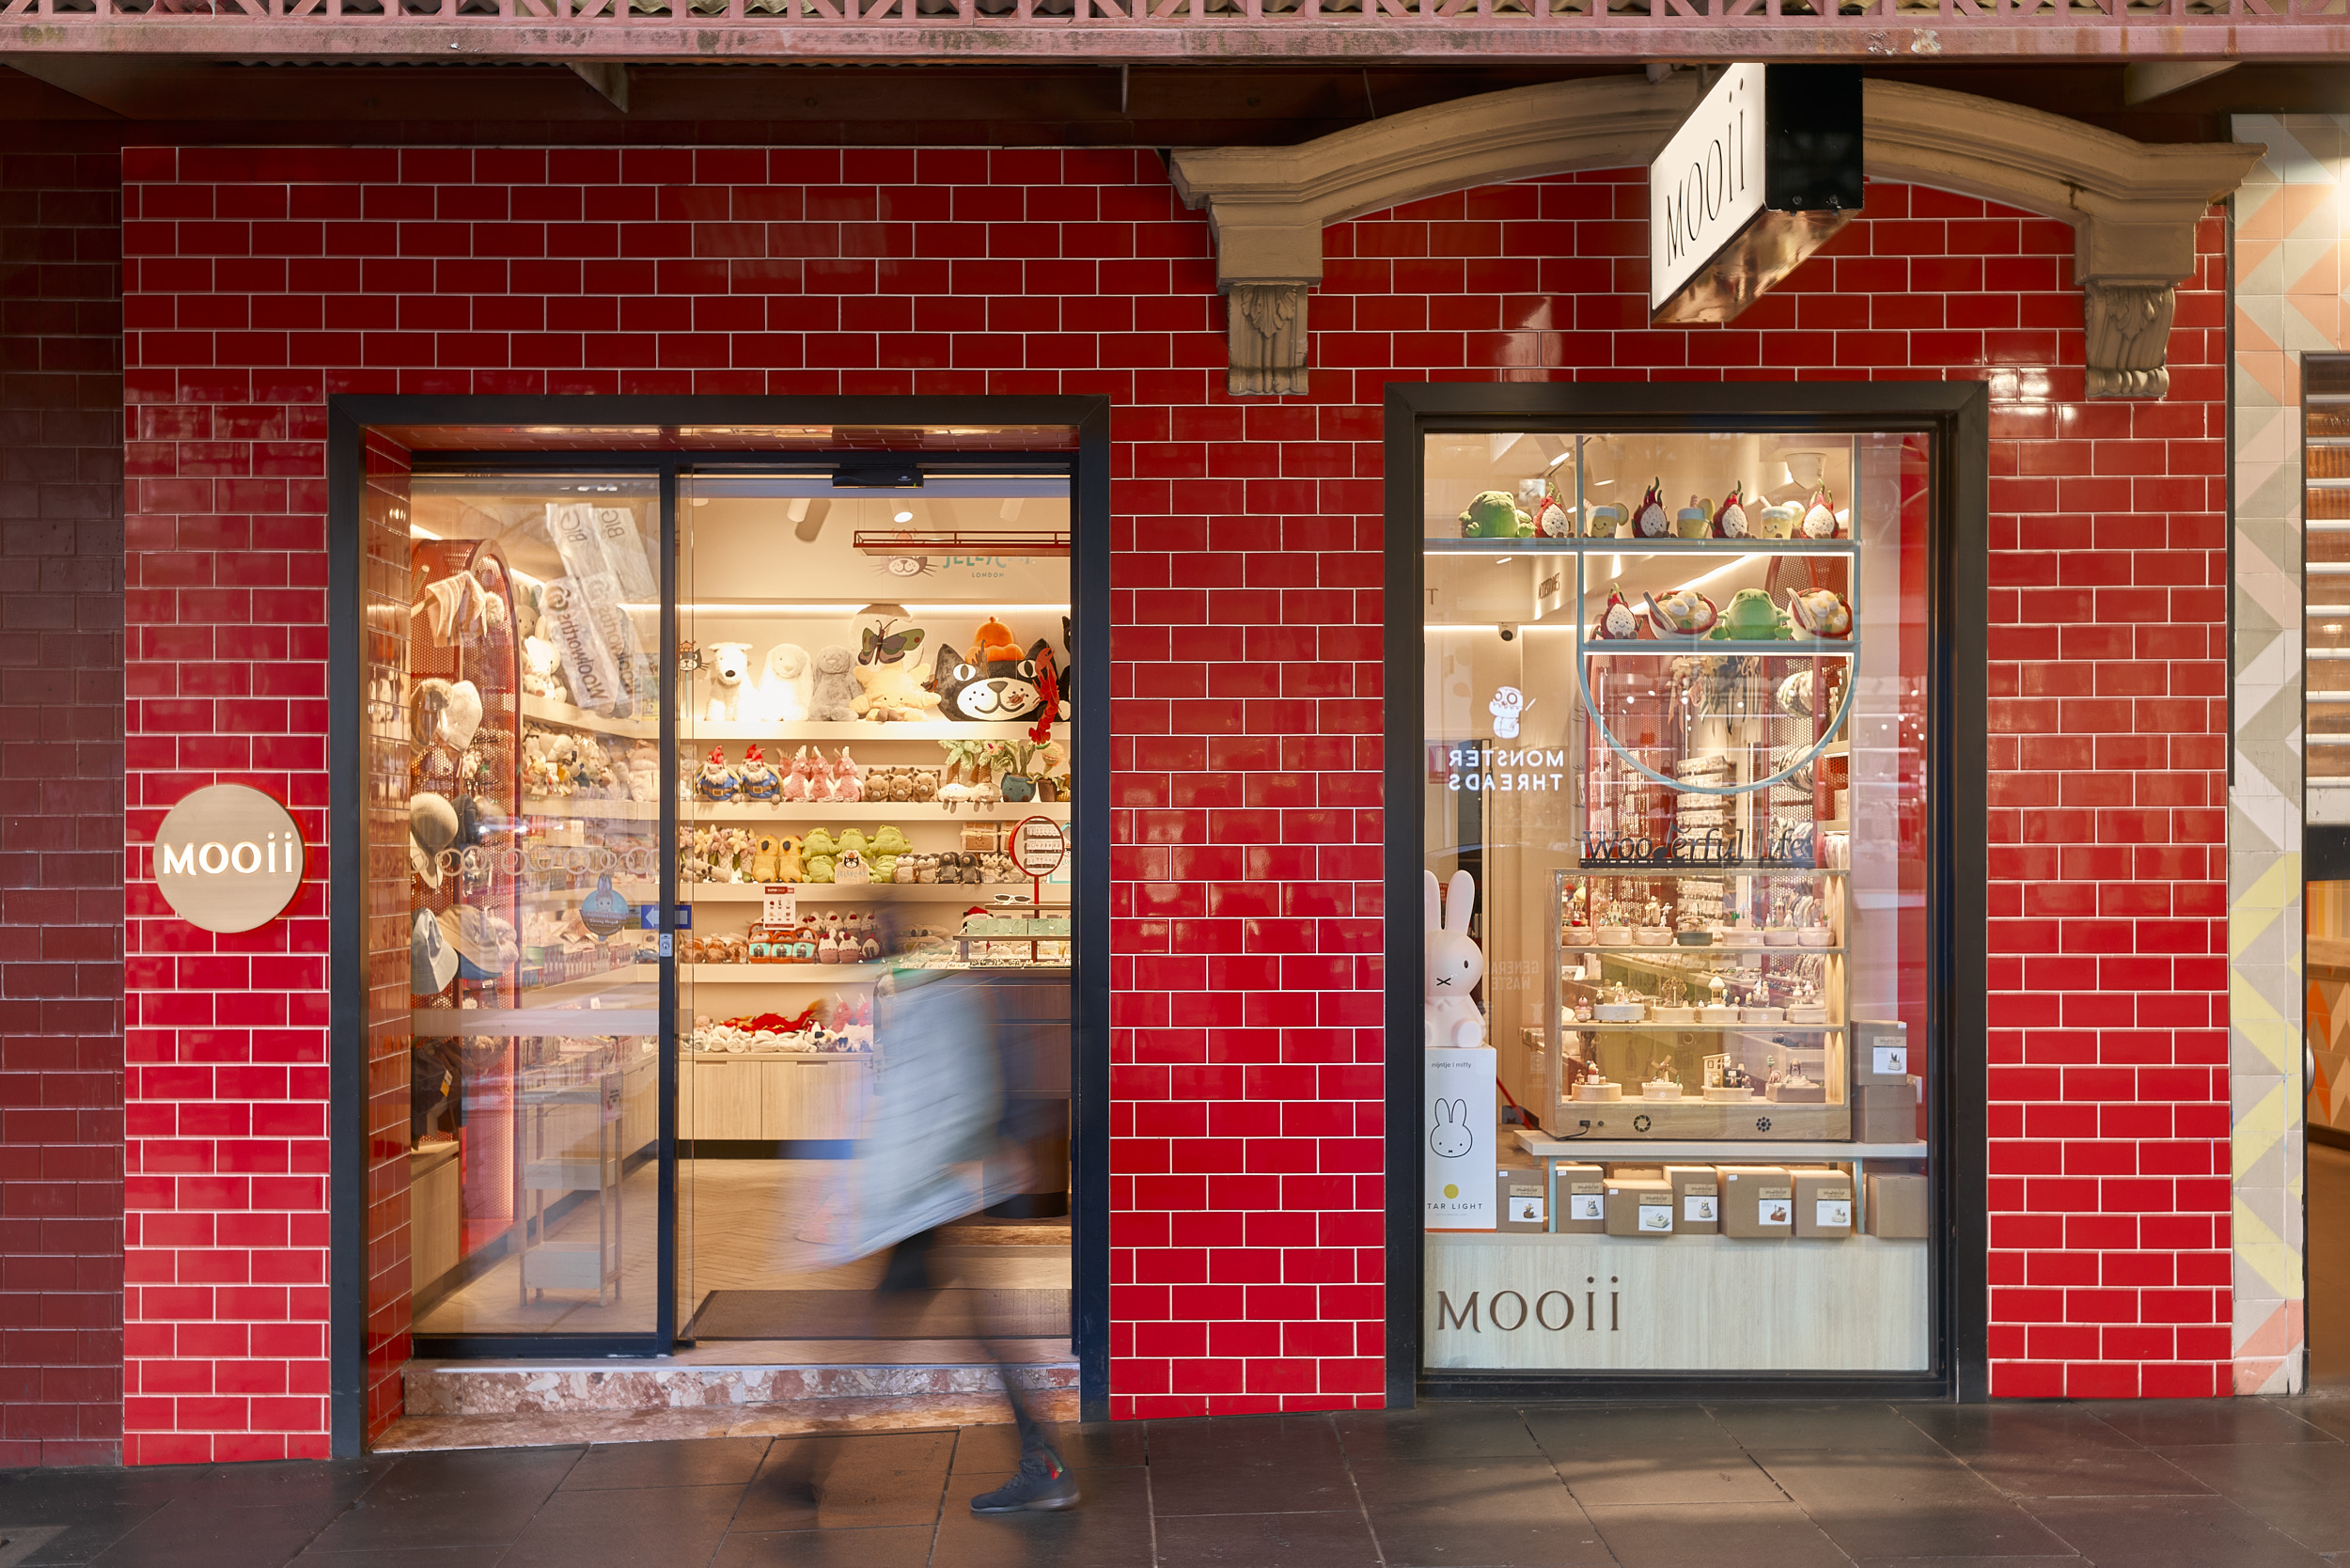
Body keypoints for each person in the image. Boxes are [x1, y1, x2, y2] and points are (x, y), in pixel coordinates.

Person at [835, 958, 1079, 1513]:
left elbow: (957, 1106)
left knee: (887, 1331)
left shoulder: (942, 1002)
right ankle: (1043, 1463)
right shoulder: (929, 1001)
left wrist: (897, 1189)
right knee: (959, 1329)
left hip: (928, 1204)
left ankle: (805, 1467)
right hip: (928, 1204)